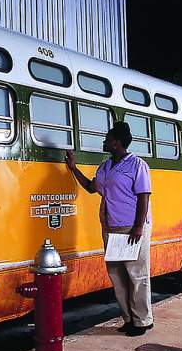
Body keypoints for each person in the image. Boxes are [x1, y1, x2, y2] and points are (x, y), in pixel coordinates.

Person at [65, 122, 153, 336]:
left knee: (137, 275)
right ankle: (128, 318)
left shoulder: (137, 165)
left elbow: (144, 196)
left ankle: (143, 321)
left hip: (131, 228)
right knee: (117, 275)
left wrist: (139, 226)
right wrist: (74, 169)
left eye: (107, 139)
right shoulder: (105, 167)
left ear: (116, 142)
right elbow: (91, 188)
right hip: (111, 227)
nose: (104, 141)